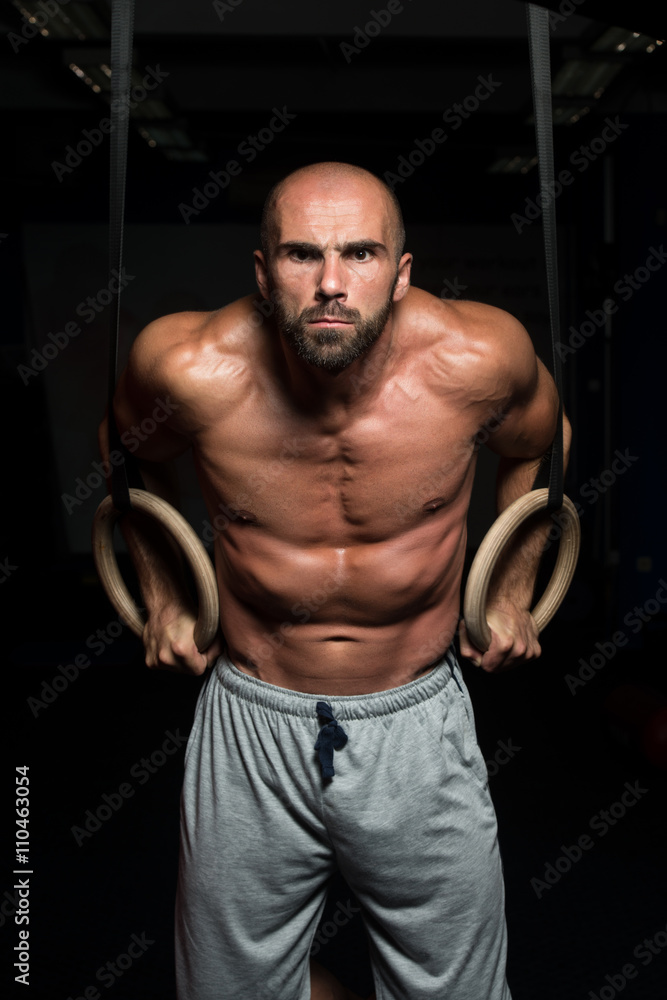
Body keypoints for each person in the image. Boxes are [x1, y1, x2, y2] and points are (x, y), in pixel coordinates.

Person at [99, 161, 570, 1000]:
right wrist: (165, 587)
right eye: (299, 255)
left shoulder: (475, 357)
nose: (329, 283)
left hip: (417, 720)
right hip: (252, 718)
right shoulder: (189, 368)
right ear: (259, 269)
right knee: (229, 988)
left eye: (358, 254)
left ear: (401, 269)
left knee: (453, 987)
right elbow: (125, 449)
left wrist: (510, 583)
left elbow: (546, 441)